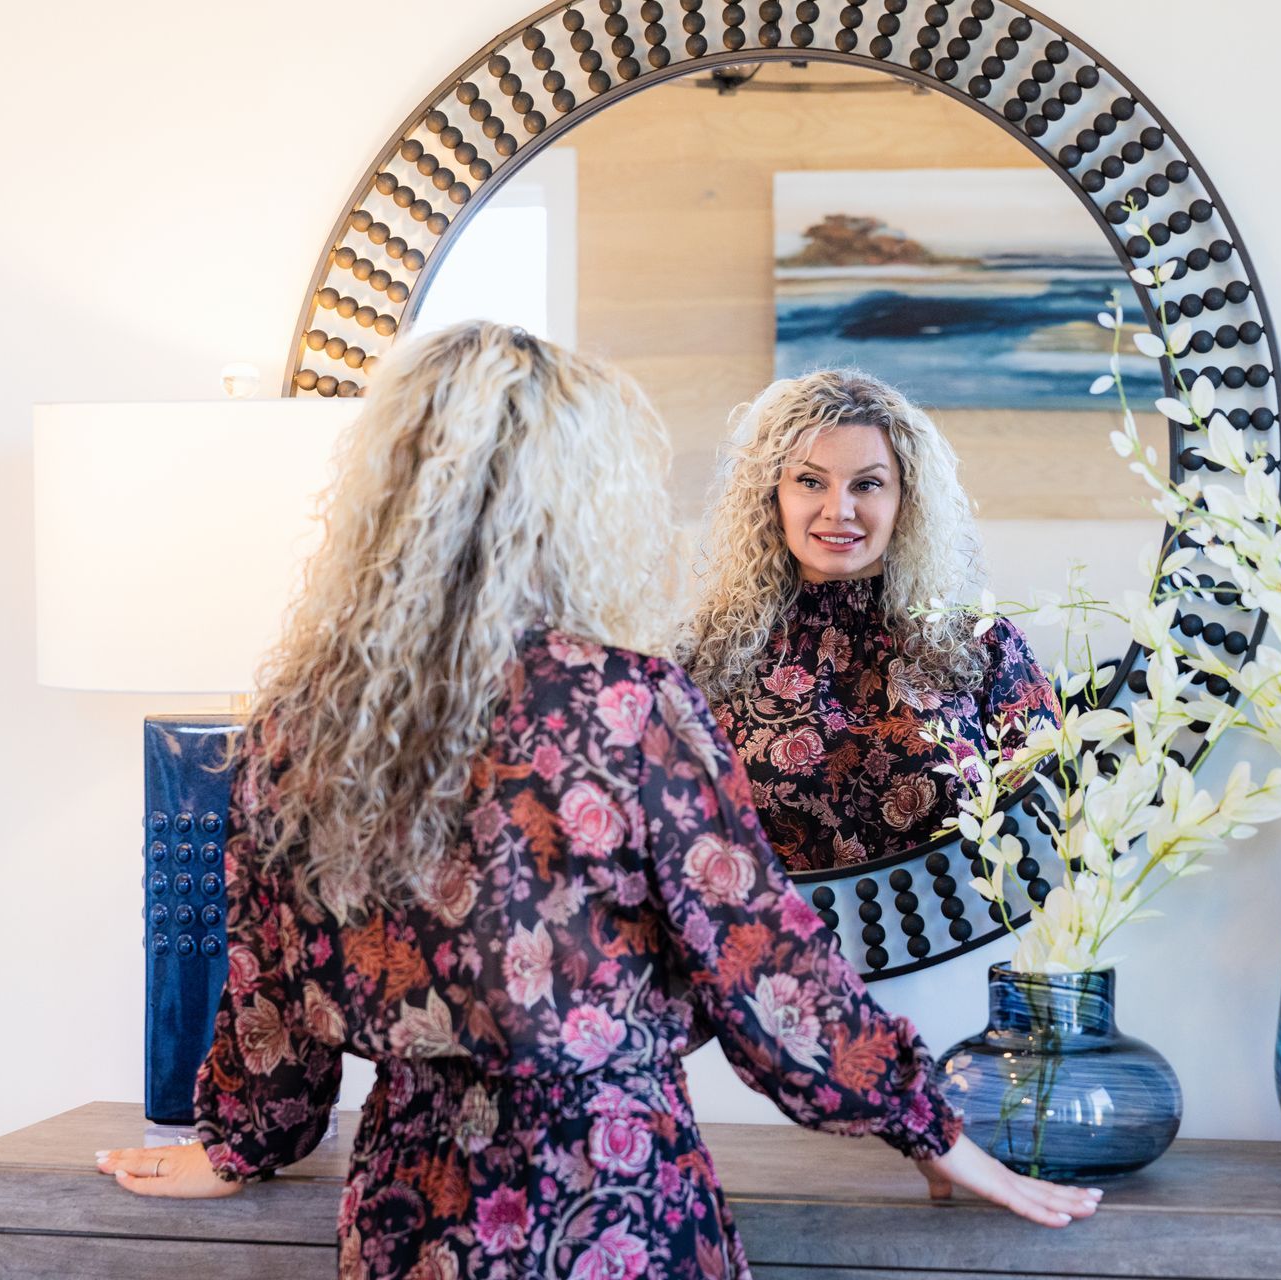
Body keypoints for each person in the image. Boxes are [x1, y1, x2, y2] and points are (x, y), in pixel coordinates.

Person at [95, 324, 1098, 1278]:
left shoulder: (298, 719)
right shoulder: (624, 701)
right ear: (571, 497)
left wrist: (240, 1146)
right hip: (615, 1194)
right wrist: (931, 1128)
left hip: (410, 1204)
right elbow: (759, 954)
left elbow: (270, 984)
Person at [682, 370, 1061, 872]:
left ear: (906, 500)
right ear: (771, 495)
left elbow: (1047, 833)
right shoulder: (702, 655)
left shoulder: (984, 645)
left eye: (868, 484)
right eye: (810, 481)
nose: (838, 510)